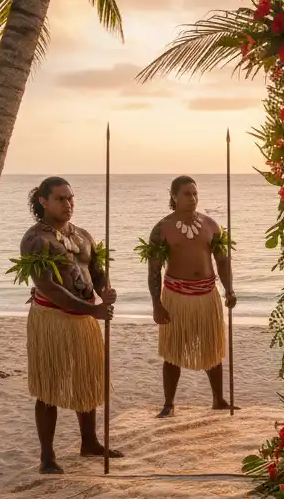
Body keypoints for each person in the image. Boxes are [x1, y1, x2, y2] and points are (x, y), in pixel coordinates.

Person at [19, 177, 122, 473]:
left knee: (87, 380)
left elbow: (97, 272)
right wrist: (93, 311)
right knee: (49, 386)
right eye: (61, 199)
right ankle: (47, 457)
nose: (68, 204)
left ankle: (89, 443)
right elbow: (48, 286)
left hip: (87, 315)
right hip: (53, 318)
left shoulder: (83, 235)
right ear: (43, 202)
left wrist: (105, 290)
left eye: (71, 198)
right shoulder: (36, 239)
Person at [146, 176, 237, 417]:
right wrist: (157, 304)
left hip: (207, 295)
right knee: (173, 351)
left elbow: (222, 261)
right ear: (174, 196)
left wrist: (229, 289)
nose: (193, 198)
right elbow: (154, 270)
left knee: (212, 348)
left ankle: (218, 399)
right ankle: (169, 403)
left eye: (195, 194)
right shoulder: (161, 228)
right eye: (187, 194)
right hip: (176, 296)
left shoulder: (211, 225)